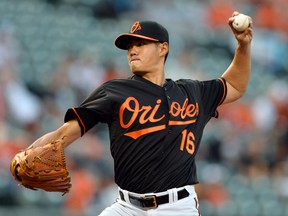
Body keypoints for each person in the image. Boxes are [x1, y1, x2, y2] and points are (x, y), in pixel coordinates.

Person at [25, 11, 253, 216]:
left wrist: (243, 46)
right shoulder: (114, 91)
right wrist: (29, 154)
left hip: (177, 207)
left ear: (163, 48)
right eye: (130, 45)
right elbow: (66, 131)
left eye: (141, 43)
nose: (132, 50)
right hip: (126, 207)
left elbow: (234, 86)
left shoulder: (192, 92)